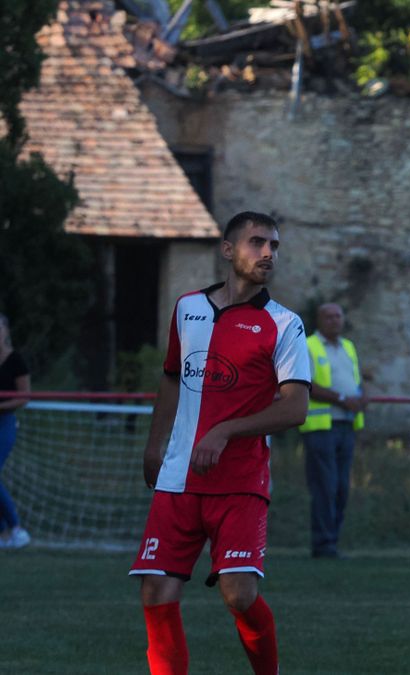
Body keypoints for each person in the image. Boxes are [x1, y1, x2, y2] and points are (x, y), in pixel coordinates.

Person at [130, 212, 311, 675]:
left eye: (274, 245)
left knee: (239, 593)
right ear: (228, 250)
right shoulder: (187, 308)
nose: (268, 252)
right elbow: (171, 378)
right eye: (257, 242)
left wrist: (226, 430)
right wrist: (156, 446)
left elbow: (294, 409)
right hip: (178, 476)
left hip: (240, 481)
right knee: (156, 590)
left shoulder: (284, 324)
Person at [298, 302, 366, 559]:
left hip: (347, 424)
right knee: (324, 486)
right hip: (321, 427)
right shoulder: (308, 346)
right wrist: (341, 398)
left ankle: (332, 541)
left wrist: (362, 397)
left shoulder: (348, 347)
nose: (334, 321)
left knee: (340, 488)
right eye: (328, 317)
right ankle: (323, 544)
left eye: (338, 316)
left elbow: (356, 380)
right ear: (319, 320)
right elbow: (306, 384)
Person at [0, 313, 32, 549]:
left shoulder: (16, 360)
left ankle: (16, 528)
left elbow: (24, 397)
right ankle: (4, 533)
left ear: (6, 331)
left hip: (5, 423)